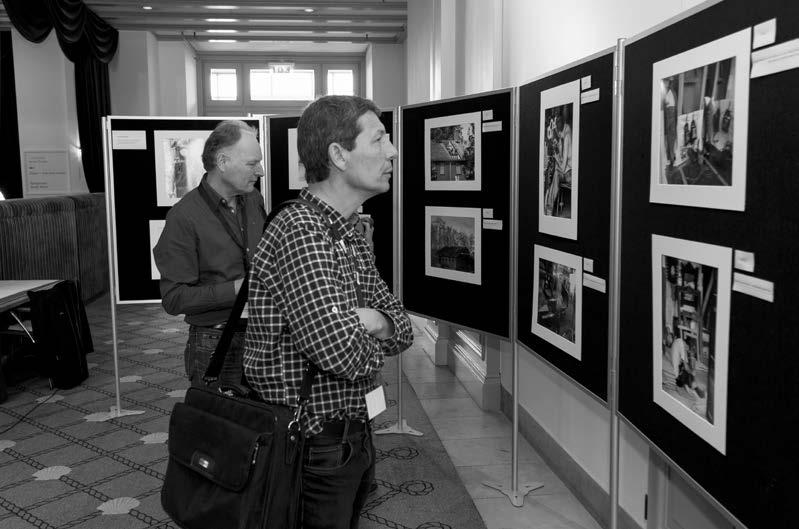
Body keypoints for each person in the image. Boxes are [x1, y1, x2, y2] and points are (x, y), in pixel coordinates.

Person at [244, 95, 413, 529]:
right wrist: (370, 330)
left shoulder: (349, 230)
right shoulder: (301, 230)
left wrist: (373, 321)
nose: (392, 151)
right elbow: (341, 354)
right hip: (310, 440)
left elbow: (403, 329)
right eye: (379, 140)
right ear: (338, 155)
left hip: (350, 429)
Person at [154, 120, 266, 385]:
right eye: (252, 164)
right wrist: (239, 289)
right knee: (220, 423)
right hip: (214, 342)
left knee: (267, 422)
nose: (260, 171)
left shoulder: (253, 200)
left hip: (263, 336)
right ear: (223, 162)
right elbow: (174, 299)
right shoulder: (183, 217)